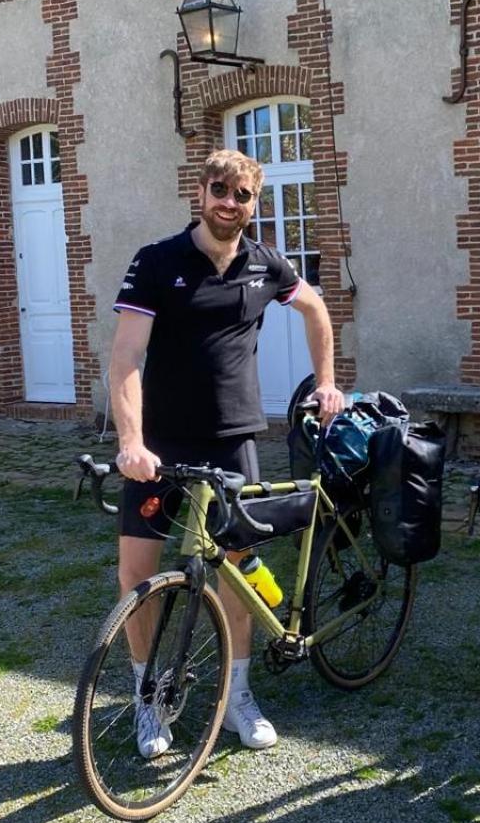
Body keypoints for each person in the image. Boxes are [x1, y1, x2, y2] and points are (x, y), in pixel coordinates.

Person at [109, 147, 344, 759]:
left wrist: (326, 380)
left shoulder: (266, 264)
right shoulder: (158, 262)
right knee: (138, 572)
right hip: (161, 443)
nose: (229, 203)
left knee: (237, 568)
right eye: (220, 190)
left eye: (242, 196)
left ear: (253, 204)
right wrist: (131, 442)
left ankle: (237, 697)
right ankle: (147, 697)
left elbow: (316, 309)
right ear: (202, 190)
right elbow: (127, 358)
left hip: (234, 437)